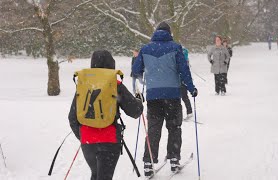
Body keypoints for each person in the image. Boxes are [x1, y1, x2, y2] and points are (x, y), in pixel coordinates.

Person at [132, 22, 197, 177]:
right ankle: (174, 159)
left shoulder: (146, 48)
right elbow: (184, 70)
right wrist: (191, 88)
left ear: (156, 32)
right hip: (172, 95)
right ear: (169, 33)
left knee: (154, 129)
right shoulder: (175, 47)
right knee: (174, 127)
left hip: (153, 96)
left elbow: (136, 70)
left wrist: (145, 76)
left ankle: (148, 162)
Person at [68, 50, 144, 180]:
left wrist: (82, 136)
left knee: (96, 174)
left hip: (87, 140)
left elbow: (72, 117)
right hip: (109, 140)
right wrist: (139, 101)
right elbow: (135, 111)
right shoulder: (115, 85)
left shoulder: (84, 85)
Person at [181, 47, 193, 119]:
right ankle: (188, 112)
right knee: (183, 97)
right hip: (178, 80)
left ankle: (189, 112)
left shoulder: (184, 58)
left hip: (182, 81)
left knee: (184, 97)